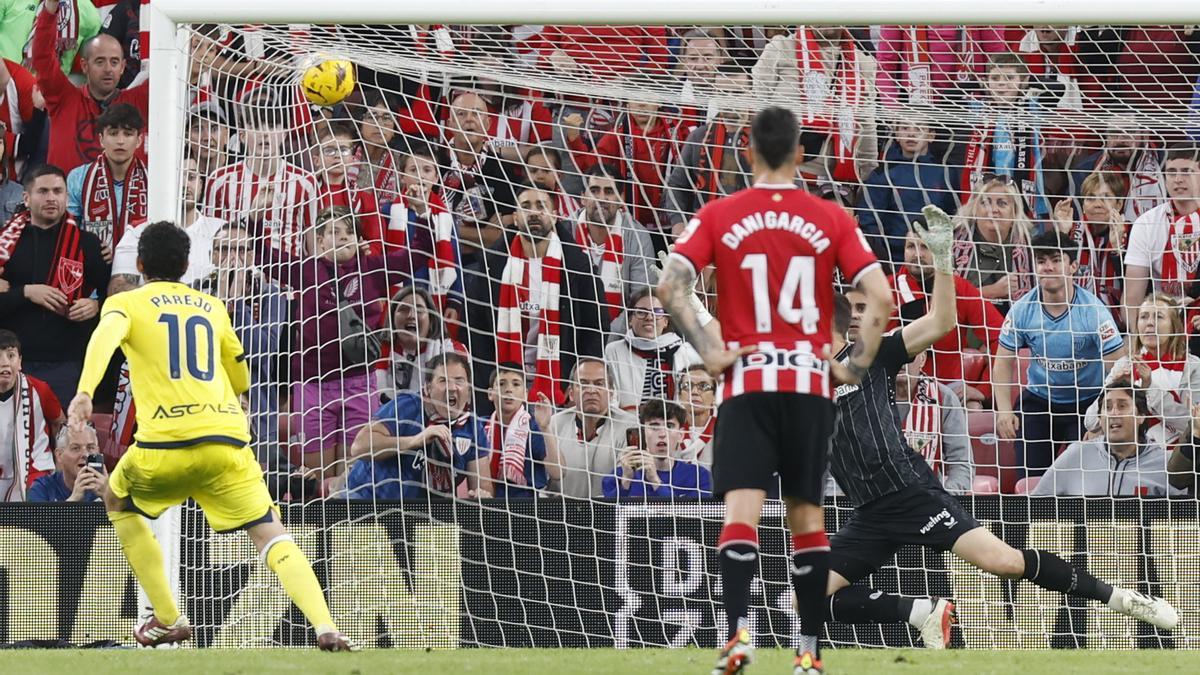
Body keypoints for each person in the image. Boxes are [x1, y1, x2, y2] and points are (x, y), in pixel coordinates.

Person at [816, 209, 1178, 648]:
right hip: (868, 514)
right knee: (807, 597)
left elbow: (942, 323)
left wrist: (944, 259)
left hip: (909, 494)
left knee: (1004, 563)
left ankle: (1124, 599)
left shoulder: (869, 356)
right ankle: (921, 612)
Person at [658, 105, 893, 675]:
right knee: (806, 519)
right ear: (799, 155)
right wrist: (852, 368)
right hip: (809, 384)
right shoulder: (831, 217)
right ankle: (808, 654)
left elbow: (670, 285)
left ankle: (738, 638)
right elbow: (881, 299)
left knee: (742, 513)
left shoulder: (719, 213)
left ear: (748, 151)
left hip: (748, 381)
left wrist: (711, 350)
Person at [65, 221, 356, 650]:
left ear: (140, 264)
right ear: (186, 265)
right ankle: (325, 625)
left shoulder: (127, 303)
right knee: (271, 532)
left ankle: (166, 617)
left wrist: (85, 392)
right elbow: (239, 369)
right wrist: (238, 397)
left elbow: (104, 339)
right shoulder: (212, 306)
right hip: (226, 443)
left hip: (165, 444)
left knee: (116, 499)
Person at [259, 206, 426, 479]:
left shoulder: (371, 267)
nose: (343, 237)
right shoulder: (307, 270)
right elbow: (264, 255)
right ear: (320, 240)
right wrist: (256, 218)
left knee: (352, 476)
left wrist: (422, 215)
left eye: (349, 231)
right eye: (334, 231)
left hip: (359, 383)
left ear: (358, 238)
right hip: (313, 384)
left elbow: (418, 256)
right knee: (317, 478)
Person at [994, 230, 1127, 476]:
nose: (1048, 267)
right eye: (1042, 261)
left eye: (1056, 260)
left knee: (1088, 480)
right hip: (1039, 401)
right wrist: (1004, 411)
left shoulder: (1094, 312)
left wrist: (1101, 418)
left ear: (1073, 266)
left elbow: (1119, 371)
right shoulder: (1022, 310)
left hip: (1086, 404)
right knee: (1031, 481)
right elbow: (1002, 363)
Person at [465, 185, 607, 410]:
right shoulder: (493, 265)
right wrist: (488, 383)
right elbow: (475, 326)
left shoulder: (577, 267)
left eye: (542, 206)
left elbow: (595, 328)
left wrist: (575, 384)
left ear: (555, 214)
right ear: (514, 216)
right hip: (504, 389)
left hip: (559, 388)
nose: (534, 213)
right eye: (526, 206)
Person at [0, 165, 110, 407]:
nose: (51, 198)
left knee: (64, 438)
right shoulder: (5, 245)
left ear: (66, 197)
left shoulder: (89, 244)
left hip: (68, 362)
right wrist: (27, 293)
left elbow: (113, 297)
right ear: (26, 198)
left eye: (58, 191)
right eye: (43, 191)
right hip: (11, 362)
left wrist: (96, 305)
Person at [345, 352, 491, 500]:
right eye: (443, 381)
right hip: (366, 499)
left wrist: (481, 495)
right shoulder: (408, 405)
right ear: (428, 388)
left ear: (469, 390)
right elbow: (359, 447)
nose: (452, 387)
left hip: (421, 513)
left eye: (459, 381)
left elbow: (482, 485)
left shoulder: (473, 428)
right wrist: (415, 440)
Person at [890, 228, 1003, 407]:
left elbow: (1002, 337)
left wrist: (983, 389)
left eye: (925, 247)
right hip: (894, 389)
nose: (917, 254)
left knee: (974, 408)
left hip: (948, 390)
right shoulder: (886, 290)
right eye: (911, 246)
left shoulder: (959, 289)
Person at [33, 0, 148, 174]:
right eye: (100, 61)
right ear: (85, 65)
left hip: (120, 201)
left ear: (123, 67)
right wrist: (50, 8)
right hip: (66, 200)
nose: (108, 69)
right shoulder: (63, 98)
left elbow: (177, 68)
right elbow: (42, 57)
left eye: (114, 62)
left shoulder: (138, 101)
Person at [1082, 294, 1200, 446]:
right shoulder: (1124, 364)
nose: (1150, 323)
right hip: (1133, 455)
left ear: (1174, 326)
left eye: (1158, 317)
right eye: (1143, 317)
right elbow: (1090, 422)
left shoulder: (1192, 367)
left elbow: (1193, 426)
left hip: (1178, 457)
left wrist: (1150, 388)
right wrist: (1112, 386)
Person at [1034, 377, 1181, 497]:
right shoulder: (1076, 454)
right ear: (1100, 418)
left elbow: (1184, 523)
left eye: (1122, 406)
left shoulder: (1165, 463)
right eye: (1108, 407)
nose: (1114, 413)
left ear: (1141, 416)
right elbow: (1036, 506)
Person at [856, 111, 958, 267]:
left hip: (937, 258)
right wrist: (885, 261)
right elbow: (869, 221)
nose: (911, 133)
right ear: (896, 134)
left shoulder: (945, 172)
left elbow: (954, 216)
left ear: (931, 135)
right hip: (894, 260)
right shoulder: (883, 174)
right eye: (904, 127)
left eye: (918, 128)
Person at [1122, 144, 1200, 332]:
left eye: (1186, 172)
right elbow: (1132, 296)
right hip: (1162, 323)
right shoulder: (1146, 224)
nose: (1178, 179)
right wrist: (1138, 341)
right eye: (1171, 172)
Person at [570, 164, 658, 322]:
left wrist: (607, 339)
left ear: (620, 199)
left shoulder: (637, 236)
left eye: (609, 192)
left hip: (620, 337)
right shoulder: (565, 230)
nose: (601, 198)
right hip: (571, 331)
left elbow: (641, 303)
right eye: (595, 190)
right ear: (583, 197)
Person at [548, 357, 639, 499]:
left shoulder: (630, 427)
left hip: (610, 513)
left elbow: (629, 483)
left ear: (611, 393)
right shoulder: (553, 424)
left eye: (599, 384)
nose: (591, 390)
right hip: (561, 514)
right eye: (583, 384)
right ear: (571, 393)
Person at [67, 103, 147, 254]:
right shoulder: (78, 177)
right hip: (93, 265)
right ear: (101, 139)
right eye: (113, 133)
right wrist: (92, 250)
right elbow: (69, 230)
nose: (120, 141)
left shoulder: (153, 180)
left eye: (128, 134)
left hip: (140, 266)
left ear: (139, 140)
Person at [604, 286, 700, 410]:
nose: (649, 317)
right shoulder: (613, 351)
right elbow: (611, 400)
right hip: (626, 425)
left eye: (657, 312)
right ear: (630, 320)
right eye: (641, 312)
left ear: (666, 321)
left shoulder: (685, 351)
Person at [951, 174, 1035, 314]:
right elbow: (940, 300)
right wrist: (992, 291)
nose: (993, 210)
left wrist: (1063, 231)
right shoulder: (952, 244)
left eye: (1002, 203)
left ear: (1014, 212)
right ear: (975, 209)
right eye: (986, 202)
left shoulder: (1031, 246)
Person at [1051, 170, 1129, 317]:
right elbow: (1054, 278)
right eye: (1090, 198)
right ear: (1083, 204)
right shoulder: (1072, 232)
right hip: (1073, 321)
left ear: (1119, 204)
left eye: (1105, 198)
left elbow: (1135, 285)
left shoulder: (1131, 233)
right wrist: (1062, 234)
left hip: (1117, 324)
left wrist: (1117, 249)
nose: (1097, 204)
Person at [894, 350, 973, 493]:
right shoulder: (864, 399)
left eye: (909, 355)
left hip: (929, 502)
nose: (901, 361)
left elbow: (961, 462)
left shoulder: (944, 398)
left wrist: (945, 497)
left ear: (923, 359)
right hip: (876, 505)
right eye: (895, 354)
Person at [601, 399, 712, 499]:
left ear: (681, 435)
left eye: (669, 426)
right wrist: (626, 481)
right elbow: (609, 517)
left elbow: (687, 519)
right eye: (654, 426)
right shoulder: (618, 476)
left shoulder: (699, 477)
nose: (662, 434)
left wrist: (655, 480)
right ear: (642, 433)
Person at [375, 285, 467, 403]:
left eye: (419, 310)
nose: (411, 315)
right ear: (392, 318)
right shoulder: (375, 351)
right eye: (404, 309)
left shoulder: (453, 350)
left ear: (431, 320)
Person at [0, 329, 62, 501]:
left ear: (19, 362)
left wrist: (60, 465)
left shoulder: (39, 389)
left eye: (10, 356)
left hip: (35, 470)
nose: (5, 363)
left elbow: (60, 424)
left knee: (37, 506)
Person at [486, 362, 560, 500]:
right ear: (490, 394)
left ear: (525, 394)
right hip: (489, 503)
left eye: (516, 384)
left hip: (527, 507)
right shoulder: (482, 427)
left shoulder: (532, 427)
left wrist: (545, 428)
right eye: (502, 384)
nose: (509, 389)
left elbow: (557, 472)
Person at [28, 422, 106, 502]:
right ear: (59, 455)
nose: (85, 454)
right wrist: (74, 499)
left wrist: (110, 497)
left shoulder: (111, 486)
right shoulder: (42, 488)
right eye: (76, 448)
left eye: (90, 448)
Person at [675, 364, 716, 467]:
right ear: (679, 396)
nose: (694, 392)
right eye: (687, 386)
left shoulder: (727, 429)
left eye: (703, 386)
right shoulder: (670, 432)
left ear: (714, 396)